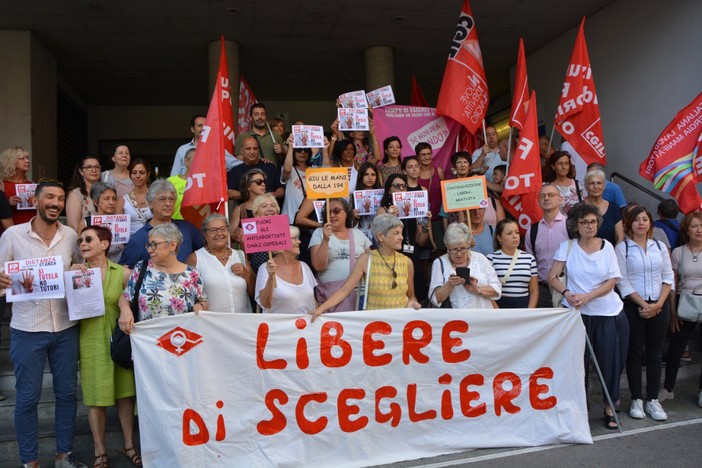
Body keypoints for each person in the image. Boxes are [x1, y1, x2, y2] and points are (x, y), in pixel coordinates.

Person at [0, 180, 88, 468]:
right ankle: (30, 462)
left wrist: (79, 270)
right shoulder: (12, 235)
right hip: (27, 328)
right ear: (36, 201)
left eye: (61, 198)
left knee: (66, 394)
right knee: (26, 399)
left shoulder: (72, 235)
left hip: (64, 327)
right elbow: (2, 277)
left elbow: (80, 269)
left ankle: (64, 455)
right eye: (49, 197)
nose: (56, 203)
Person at [548, 202, 627, 430]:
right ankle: (578, 407)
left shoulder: (608, 246)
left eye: (593, 221)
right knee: (576, 363)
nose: (590, 226)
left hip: (606, 311)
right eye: (584, 222)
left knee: (608, 361)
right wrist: (567, 293)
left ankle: (610, 406)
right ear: (576, 225)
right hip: (576, 314)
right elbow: (552, 275)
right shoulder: (567, 246)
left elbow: (612, 281)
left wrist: (588, 296)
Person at [72, 225, 140, 468]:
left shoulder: (122, 273)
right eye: (80, 240)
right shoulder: (75, 274)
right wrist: (71, 276)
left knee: (125, 396)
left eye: (89, 239)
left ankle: (129, 445)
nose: (83, 244)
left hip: (119, 341)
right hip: (90, 341)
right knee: (95, 399)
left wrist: (123, 304)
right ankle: (100, 452)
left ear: (105, 244)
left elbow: (135, 298)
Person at [614, 206, 673, 421]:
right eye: (637, 219)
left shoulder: (659, 246)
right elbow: (623, 282)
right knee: (635, 353)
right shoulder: (623, 249)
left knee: (656, 354)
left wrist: (657, 305)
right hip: (633, 306)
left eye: (645, 219)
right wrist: (644, 305)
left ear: (650, 223)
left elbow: (668, 277)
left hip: (660, 304)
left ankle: (653, 400)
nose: (641, 223)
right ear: (629, 223)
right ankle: (637, 399)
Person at [312, 214, 422, 319]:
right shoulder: (366, 259)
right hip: (374, 325)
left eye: (401, 233)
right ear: (381, 237)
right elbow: (345, 290)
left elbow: (411, 295)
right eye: (396, 233)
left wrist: (412, 301)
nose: (401, 237)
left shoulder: (407, 262)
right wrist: (320, 309)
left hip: (399, 323)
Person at [118, 223, 207, 331]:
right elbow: (126, 296)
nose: (149, 250)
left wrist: (200, 307)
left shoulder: (192, 274)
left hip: (182, 340)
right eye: (149, 245)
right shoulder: (141, 268)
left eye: (154, 244)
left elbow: (202, 301)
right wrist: (125, 310)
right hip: (148, 340)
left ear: (172, 245)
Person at [661, 210, 702, 408]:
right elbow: (672, 284)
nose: (699, 230)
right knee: (676, 348)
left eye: (701, 226)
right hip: (684, 303)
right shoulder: (678, 252)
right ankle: (668, 389)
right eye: (694, 226)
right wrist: (673, 312)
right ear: (687, 230)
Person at [119, 179, 203, 269]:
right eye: (162, 199)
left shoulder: (187, 229)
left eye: (171, 199)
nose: (168, 204)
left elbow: (208, 250)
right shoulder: (139, 239)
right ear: (150, 203)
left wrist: (192, 260)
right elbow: (123, 272)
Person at [310, 198, 372, 312]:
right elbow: (318, 266)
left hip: (361, 294)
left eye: (336, 211)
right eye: (328, 213)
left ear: (347, 213)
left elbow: (371, 264)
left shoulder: (358, 233)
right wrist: (325, 240)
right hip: (331, 297)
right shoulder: (319, 233)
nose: (332, 215)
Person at [187, 214, 253, 313]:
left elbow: (254, 293)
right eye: (213, 230)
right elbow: (187, 294)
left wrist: (246, 274)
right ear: (205, 234)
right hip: (212, 324)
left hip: (242, 322)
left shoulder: (240, 255)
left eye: (223, 229)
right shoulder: (196, 258)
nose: (219, 233)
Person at [429, 222, 501, 308]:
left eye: (463, 248)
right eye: (454, 249)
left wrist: (478, 290)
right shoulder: (439, 263)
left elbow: (497, 289)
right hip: (456, 320)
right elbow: (435, 299)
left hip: (484, 317)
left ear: (468, 245)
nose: (459, 254)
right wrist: (450, 284)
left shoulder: (480, 258)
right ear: (447, 247)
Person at [525, 183, 569, 308]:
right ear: (538, 201)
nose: (546, 198)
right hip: (542, 289)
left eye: (551, 195)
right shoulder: (532, 231)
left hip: (567, 287)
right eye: (543, 196)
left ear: (560, 199)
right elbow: (530, 262)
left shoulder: (570, 226)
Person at [256, 226, 318, 314]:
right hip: (280, 327)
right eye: (294, 238)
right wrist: (270, 277)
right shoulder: (265, 269)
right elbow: (265, 304)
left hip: (306, 326)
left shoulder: (304, 266)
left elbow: (313, 302)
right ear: (281, 242)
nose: (299, 242)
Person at [488, 219, 538, 308]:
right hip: (500, 305)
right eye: (509, 233)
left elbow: (534, 290)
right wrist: (497, 311)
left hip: (524, 305)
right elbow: (488, 290)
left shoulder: (529, 258)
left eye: (517, 232)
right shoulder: (491, 259)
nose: (515, 236)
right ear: (499, 237)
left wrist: (529, 311)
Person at [78, 182, 124, 262]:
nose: (111, 202)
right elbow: (80, 251)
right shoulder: (86, 222)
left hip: (118, 267)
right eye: (106, 198)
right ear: (96, 202)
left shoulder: (121, 221)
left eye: (114, 198)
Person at [227, 136, 283, 201]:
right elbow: (230, 193)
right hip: (246, 209)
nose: (252, 151)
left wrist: (272, 195)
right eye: (248, 149)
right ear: (241, 151)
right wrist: (251, 194)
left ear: (258, 150)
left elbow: (281, 190)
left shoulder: (270, 166)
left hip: (269, 207)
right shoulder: (235, 171)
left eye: (255, 148)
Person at [416, 142, 445, 251]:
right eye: (423, 155)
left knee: (440, 249)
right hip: (421, 220)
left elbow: (445, 194)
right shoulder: (415, 174)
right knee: (423, 252)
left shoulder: (439, 171)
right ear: (418, 157)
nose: (427, 157)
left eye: (429, 154)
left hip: (438, 219)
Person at [584, 168, 624, 245]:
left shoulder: (613, 207)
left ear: (604, 186)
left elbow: (620, 237)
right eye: (592, 183)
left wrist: (614, 255)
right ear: (586, 187)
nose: (596, 186)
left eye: (599, 183)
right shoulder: (578, 208)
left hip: (609, 255)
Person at [0, 146, 36, 226]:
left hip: (31, 230)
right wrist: (7, 203)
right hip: (10, 231)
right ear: (11, 162)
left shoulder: (32, 185)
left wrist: (38, 203)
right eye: (22, 158)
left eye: (27, 158)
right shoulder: (2, 185)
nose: (27, 161)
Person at [65, 155, 101, 232]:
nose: (94, 170)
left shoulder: (106, 191)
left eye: (97, 167)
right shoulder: (75, 194)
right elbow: (74, 227)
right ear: (81, 171)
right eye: (89, 167)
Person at [117, 158, 152, 235]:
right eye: (134, 172)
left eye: (142, 173)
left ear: (148, 174)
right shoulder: (122, 200)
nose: (138, 176)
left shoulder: (156, 196)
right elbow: (119, 230)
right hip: (131, 243)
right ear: (130, 175)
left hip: (154, 242)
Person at [543, 151, 583, 215]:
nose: (563, 167)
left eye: (566, 163)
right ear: (553, 166)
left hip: (575, 224)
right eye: (560, 164)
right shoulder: (546, 186)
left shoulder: (577, 184)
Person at [352, 162, 383, 242]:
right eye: (366, 174)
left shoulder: (383, 196)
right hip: (359, 236)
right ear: (361, 176)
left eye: (373, 175)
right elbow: (349, 224)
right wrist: (354, 217)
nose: (370, 178)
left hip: (379, 236)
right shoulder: (353, 196)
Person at [167, 147, 194, 220]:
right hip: (174, 226)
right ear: (186, 161)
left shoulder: (205, 183)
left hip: (197, 227)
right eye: (196, 159)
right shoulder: (171, 181)